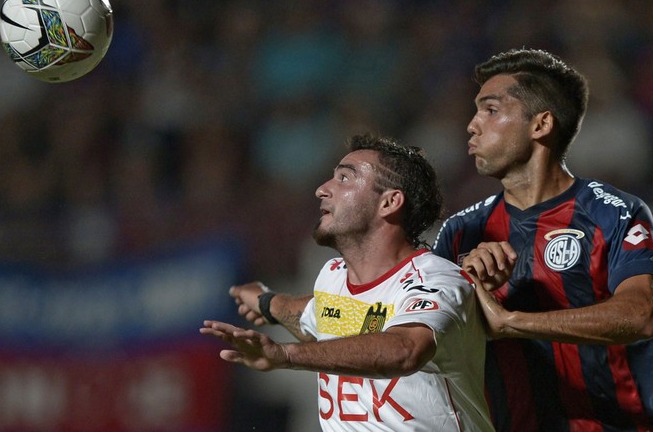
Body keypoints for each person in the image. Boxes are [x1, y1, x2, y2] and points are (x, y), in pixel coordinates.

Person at [433, 48, 653, 431]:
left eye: (491, 110)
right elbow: (424, 332)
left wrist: (511, 321)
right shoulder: (462, 231)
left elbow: (641, 315)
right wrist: (465, 290)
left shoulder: (611, 212)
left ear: (541, 124)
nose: (472, 125)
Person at [200, 134, 494, 431]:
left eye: (344, 178)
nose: (322, 190)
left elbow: (405, 350)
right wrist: (266, 302)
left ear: (389, 202)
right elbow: (319, 315)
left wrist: (286, 354)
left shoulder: (434, 279)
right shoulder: (333, 276)